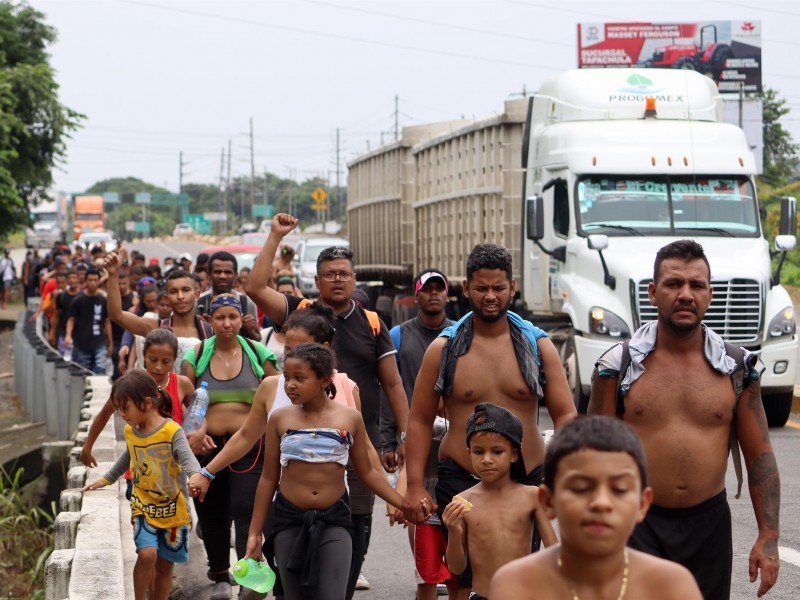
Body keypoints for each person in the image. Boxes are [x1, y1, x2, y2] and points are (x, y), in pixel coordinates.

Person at [587, 239, 780, 599]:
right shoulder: (618, 366)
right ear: (652, 292)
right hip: (636, 524)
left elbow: (760, 457)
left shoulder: (737, 369)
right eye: (674, 284)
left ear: (710, 293)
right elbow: (590, 456)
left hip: (709, 527)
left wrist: (768, 537)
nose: (686, 294)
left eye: (696, 285)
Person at [247, 213, 410, 598]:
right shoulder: (299, 312)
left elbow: (392, 383)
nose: (338, 279)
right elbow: (255, 287)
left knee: (350, 545)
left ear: (355, 281)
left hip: (355, 445)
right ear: (317, 280)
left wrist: (404, 439)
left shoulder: (372, 322)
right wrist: (274, 237)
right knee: (298, 569)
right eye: (330, 273)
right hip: (301, 447)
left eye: (345, 273)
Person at [238, 343, 405, 600]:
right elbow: (269, 478)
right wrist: (254, 533)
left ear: (324, 379)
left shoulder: (349, 418)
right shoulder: (280, 419)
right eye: (287, 378)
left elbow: (367, 472)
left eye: (300, 378)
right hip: (288, 521)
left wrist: (401, 503)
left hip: (334, 520)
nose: (290, 385)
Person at [489, 415, 702, 600]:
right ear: (547, 501)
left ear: (642, 504)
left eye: (619, 489)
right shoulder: (517, 586)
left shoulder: (672, 587)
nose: (601, 503)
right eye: (581, 488)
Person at [180, 294, 278, 600]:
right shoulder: (196, 355)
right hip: (206, 445)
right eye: (219, 317)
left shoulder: (258, 353)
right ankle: (221, 574)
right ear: (209, 320)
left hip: (249, 446)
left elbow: (279, 396)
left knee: (246, 509)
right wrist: (196, 431)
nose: (227, 323)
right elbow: (186, 401)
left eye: (232, 317)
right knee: (211, 511)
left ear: (242, 319)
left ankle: (247, 574)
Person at [84, 369, 201, 600]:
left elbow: (190, 462)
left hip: (173, 509)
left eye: (124, 407)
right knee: (147, 555)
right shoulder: (131, 431)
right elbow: (128, 457)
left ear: (147, 403)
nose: (121, 414)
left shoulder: (171, 431)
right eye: (118, 408)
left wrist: (197, 477)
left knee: (165, 566)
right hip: (143, 505)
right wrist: (106, 479)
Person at [379, 269, 455, 599]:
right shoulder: (398, 336)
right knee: (416, 509)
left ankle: (449, 568)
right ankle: (425, 567)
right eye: (428, 290)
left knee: (452, 508)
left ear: (447, 295)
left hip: (453, 432)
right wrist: (388, 441)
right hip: (414, 433)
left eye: (440, 289)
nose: (434, 295)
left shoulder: (460, 334)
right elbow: (388, 388)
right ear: (416, 296)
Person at [443, 403, 557, 600]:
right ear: (469, 453)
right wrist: (453, 531)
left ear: (513, 455)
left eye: (497, 451)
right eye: (479, 452)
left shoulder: (531, 496)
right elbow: (456, 567)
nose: (487, 459)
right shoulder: (463, 501)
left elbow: (554, 550)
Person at [105, 252, 213, 369]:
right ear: (166, 298)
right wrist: (112, 274)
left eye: (186, 290)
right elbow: (117, 315)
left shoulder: (209, 331)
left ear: (197, 294)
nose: (180, 296)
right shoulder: (155, 327)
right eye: (173, 291)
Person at [195, 251, 261, 340]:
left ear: (235, 275)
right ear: (209, 274)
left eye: (228, 272)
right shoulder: (198, 303)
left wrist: (251, 329)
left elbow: (257, 339)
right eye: (217, 272)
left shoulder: (246, 303)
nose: (222, 276)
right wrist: (203, 327)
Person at [64, 268, 113, 374]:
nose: (92, 283)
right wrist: (68, 335)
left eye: (95, 280)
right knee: (85, 371)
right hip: (82, 343)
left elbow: (107, 321)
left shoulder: (103, 300)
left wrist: (110, 342)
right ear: (85, 281)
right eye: (90, 280)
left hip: (100, 342)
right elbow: (71, 319)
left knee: (100, 369)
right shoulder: (78, 300)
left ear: (99, 281)